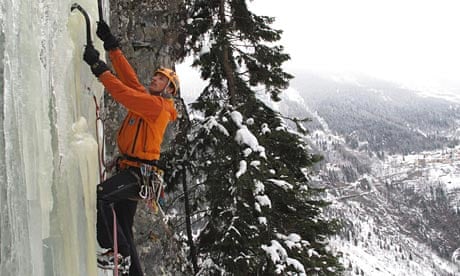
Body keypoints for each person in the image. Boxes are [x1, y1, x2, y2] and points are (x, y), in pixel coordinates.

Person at [83, 20, 178, 275]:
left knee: (103, 194)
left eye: (162, 79)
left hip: (138, 174)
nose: (155, 79)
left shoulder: (157, 107)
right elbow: (130, 79)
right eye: (156, 76)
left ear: (169, 89)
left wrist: (98, 67)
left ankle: (118, 253)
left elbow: (124, 93)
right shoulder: (149, 99)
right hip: (132, 170)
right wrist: (112, 46)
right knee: (123, 225)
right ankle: (132, 268)